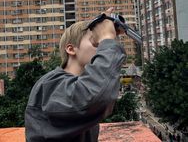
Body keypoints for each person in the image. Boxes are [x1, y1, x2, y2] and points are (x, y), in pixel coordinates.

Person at [25, 8, 126, 141]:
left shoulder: (81, 84)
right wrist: (107, 39)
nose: (102, 48)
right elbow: (96, 97)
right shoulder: (51, 85)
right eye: (96, 43)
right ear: (71, 49)